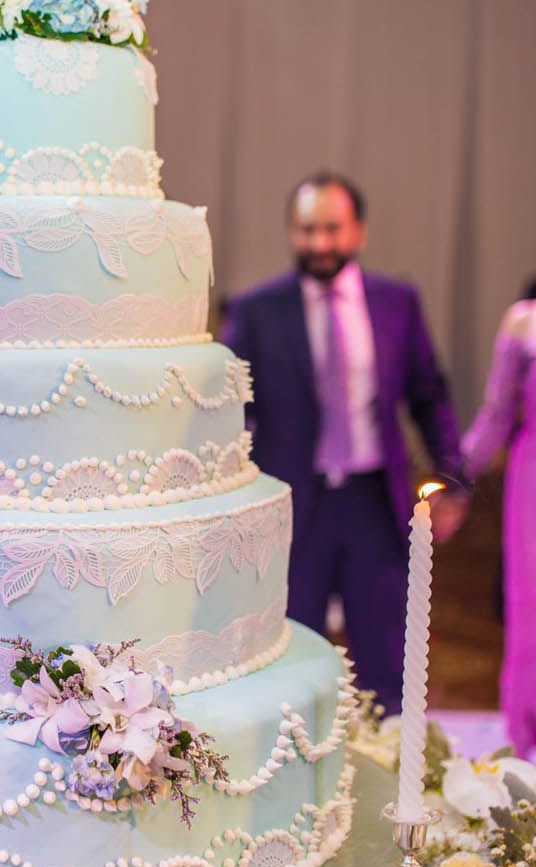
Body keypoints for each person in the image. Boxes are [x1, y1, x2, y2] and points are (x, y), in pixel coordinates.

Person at [224, 170, 468, 712]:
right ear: (291, 231)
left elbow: (429, 395)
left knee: (387, 661)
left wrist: (454, 480)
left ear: (358, 230)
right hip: (291, 508)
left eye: (332, 228)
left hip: (373, 507)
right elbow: (228, 409)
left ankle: (388, 775)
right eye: (306, 229)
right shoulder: (257, 310)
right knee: (289, 656)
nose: (320, 243)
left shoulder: (396, 302)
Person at [462, 291, 536, 756]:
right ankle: (524, 737)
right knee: (530, 607)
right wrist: (454, 476)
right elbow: (497, 413)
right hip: (533, 480)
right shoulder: (524, 324)